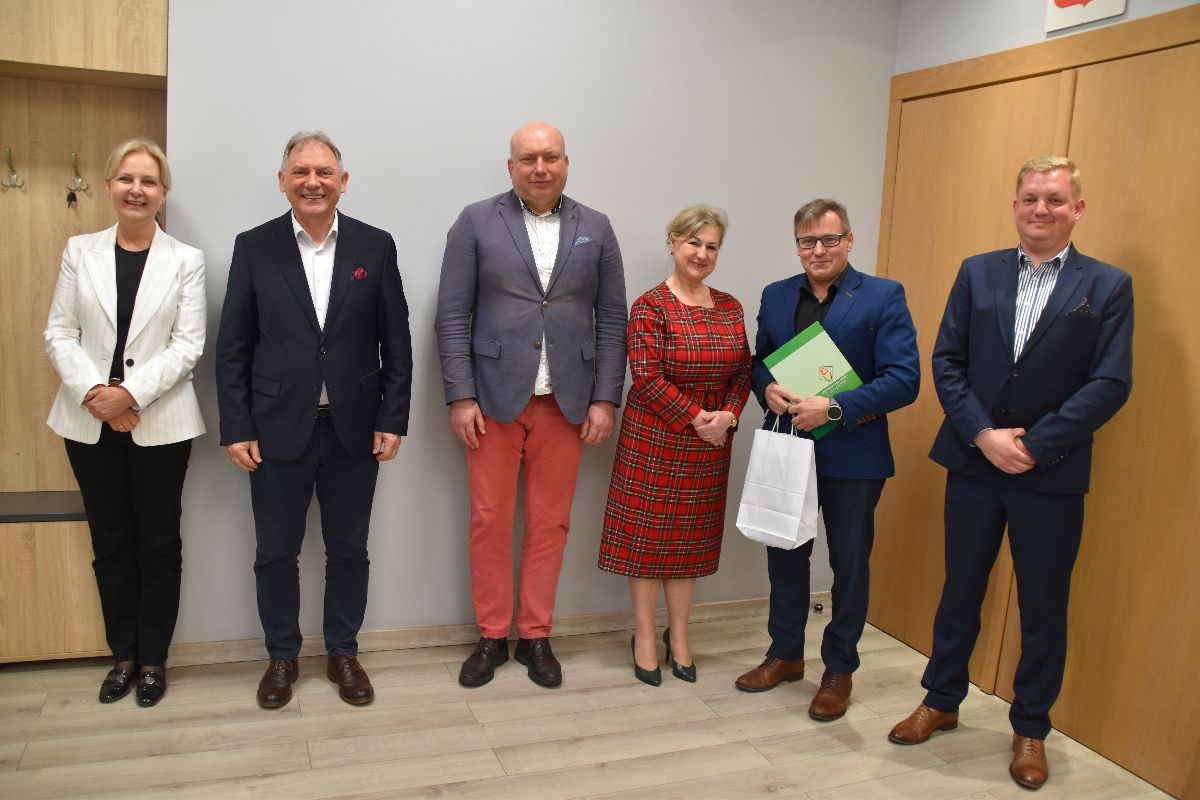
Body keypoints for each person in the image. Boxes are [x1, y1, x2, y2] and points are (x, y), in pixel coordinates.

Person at [888, 156, 1133, 791]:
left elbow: (1110, 382)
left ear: (1077, 209)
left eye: (1054, 199)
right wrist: (982, 434)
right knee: (960, 591)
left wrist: (1034, 445)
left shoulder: (1107, 286)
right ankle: (941, 699)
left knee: (1043, 604)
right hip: (974, 463)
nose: (1040, 210)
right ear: (1016, 205)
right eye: (1029, 198)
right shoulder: (978, 272)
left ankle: (1030, 727)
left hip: (1051, 473)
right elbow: (947, 360)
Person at [215, 131, 412, 709]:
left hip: (355, 428)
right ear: (282, 182)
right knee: (275, 551)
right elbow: (233, 346)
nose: (312, 182)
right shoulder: (254, 247)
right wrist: (237, 425)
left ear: (342, 182)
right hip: (275, 429)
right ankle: (281, 656)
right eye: (300, 172)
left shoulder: (375, 246)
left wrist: (393, 416)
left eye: (324, 172)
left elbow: (396, 342)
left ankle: (342, 652)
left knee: (349, 550)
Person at [435, 121, 627, 688]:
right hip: (492, 399)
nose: (539, 168)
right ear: (511, 166)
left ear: (566, 163)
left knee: (551, 522)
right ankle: (493, 635)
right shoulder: (475, 221)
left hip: (567, 402)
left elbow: (612, 319)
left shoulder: (597, 226)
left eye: (550, 157)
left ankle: (536, 635)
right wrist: (460, 394)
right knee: (489, 521)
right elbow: (452, 315)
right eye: (528, 159)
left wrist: (605, 397)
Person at [736, 199, 920, 721]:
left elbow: (904, 380)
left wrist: (835, 407)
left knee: (849, 565)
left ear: (849, 241)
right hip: (788, 446)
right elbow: (759, 362)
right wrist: (765, 388)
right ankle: (785, 654)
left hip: (854, 454)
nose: (818, 250)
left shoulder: (883, 295)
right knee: (785, 555)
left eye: (829, 239)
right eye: (807, 241)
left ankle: (839, 669)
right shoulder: (776, 295)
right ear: (797, 245)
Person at [44, 138, 205, 707]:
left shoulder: (185, 259)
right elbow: (59, 332)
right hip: (87, 422)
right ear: (111, 184)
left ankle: (154, 659)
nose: (137, 190)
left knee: (158, 542)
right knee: (110, 543)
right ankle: (123, 657)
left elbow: (188, 345)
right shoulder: (79, 251)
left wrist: (128, 395)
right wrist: (97, 394)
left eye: (149, 182)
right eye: (127, 179)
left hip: (161, 424)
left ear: (163, 193)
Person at [598, 205, 750, 686]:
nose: (701, 253)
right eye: (693, 243)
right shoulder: (650, 306)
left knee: (689, 545)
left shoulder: (730, 307)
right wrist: (698, 418)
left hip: (710, 445)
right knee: (647, 545)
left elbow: (743, 373)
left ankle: (679, 636)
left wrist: (728, 416)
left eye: (711, 246)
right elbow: (646, 377)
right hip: (654, 441)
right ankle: (644, 635)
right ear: (673, 243)